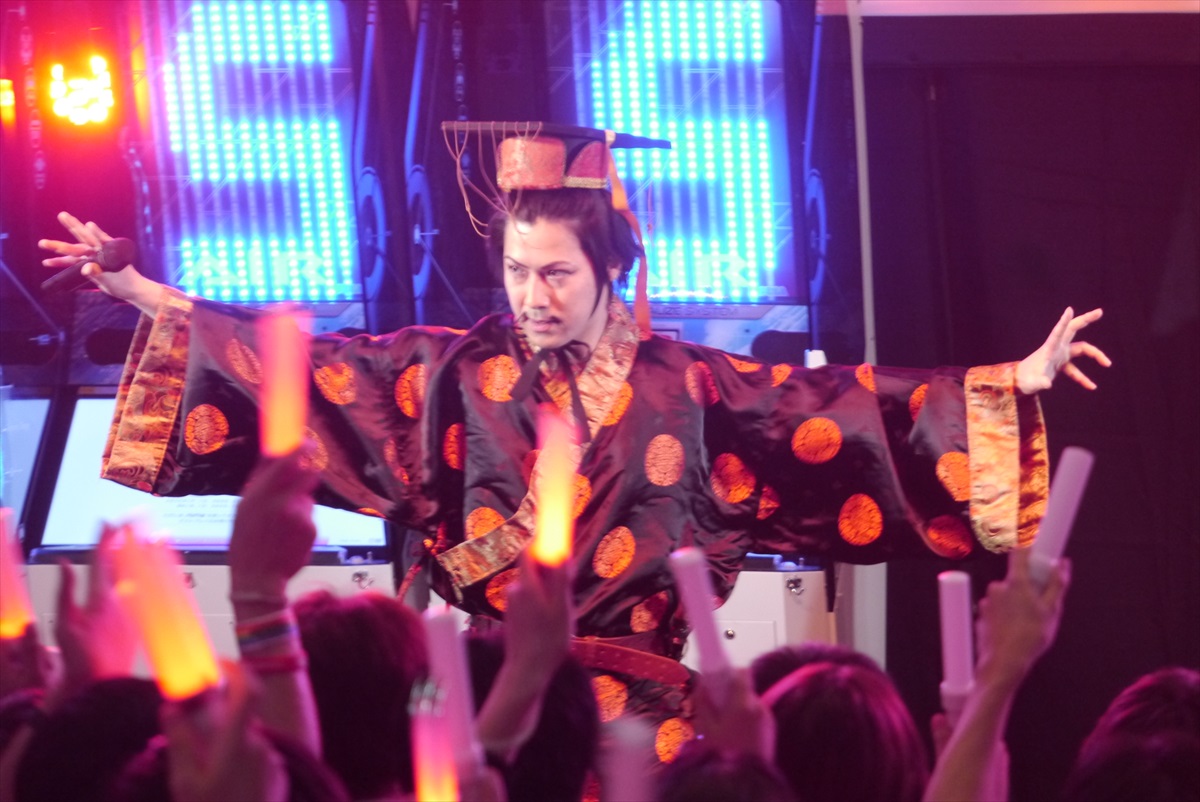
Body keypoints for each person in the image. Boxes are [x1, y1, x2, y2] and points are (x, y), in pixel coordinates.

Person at [39, 121, 1109, 761]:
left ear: (612, 270)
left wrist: (1008, 382)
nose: (531, 294)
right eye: (516, 271)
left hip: (643, 719)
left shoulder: (694, 389)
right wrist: (136, 287)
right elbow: (302, 366)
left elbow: (838, 408)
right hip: (473, 705)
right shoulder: (449, 373)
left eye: (555, 272)